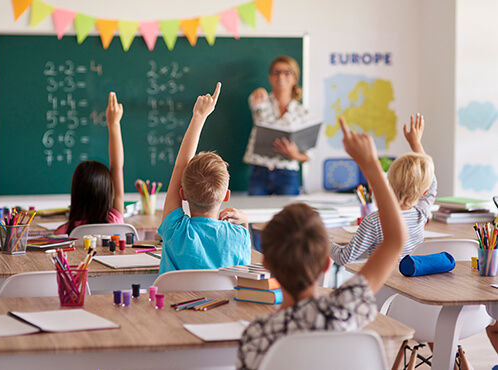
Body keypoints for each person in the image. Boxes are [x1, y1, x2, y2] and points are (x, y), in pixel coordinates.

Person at [237, 118, 407, 370]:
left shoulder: (257, 335)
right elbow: (395, 239)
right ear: (326, 264)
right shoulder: (343, 310)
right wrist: (370, 165)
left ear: (266, 265)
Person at [158, 82, 251, 275]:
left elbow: (179, 166)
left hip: (173, 305)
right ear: (226, 195)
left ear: (182, 194)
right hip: (223, 306)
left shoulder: (176, 232)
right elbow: (244, 277)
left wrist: (198, 117)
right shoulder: (239, 236)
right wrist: (245, 221)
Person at [330, 113, 436, 265]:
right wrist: (416, 143)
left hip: (382, 285)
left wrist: (322, 240)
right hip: (409, 285)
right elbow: (431, 185)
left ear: (389, 183)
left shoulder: (374, 221)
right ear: (424, 191)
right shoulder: (421, 215)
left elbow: (343, 257)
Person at [55, 92, 125, 235]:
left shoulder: (64, 232)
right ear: (108, 191)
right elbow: (116, 166)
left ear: (75, 192)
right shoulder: (114, 221)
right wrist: (114, 124)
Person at [243, 55, 310, 196]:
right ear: (270, 77)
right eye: (276, 72)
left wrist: (295, 155)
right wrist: (258, 93)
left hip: (287, 173)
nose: (281, 77)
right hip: (259, 171)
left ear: (295, 78)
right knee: (256, 215)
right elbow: (253, 102)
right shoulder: (261, 101)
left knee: (289, 216)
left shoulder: (302, 112)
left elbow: (308, 155)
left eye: (287, 72)